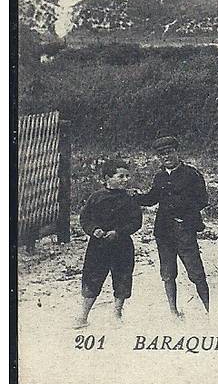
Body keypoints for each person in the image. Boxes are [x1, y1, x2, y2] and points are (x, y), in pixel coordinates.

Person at [134, 136, 210, 319]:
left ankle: (210, 310)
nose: (166, 157)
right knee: (168, 273)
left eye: (169, 152)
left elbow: (202, 200)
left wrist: (183, 213)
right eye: (162, 154)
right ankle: (173, 311)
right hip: (164, 232)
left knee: (196, 273)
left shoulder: (191, 174)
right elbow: (152, 199)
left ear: (176, 152)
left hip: (185, 230)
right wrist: (135, 197)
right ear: (158, 157)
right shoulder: (159, 176)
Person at [74, 158, 142, 329]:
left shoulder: (130, 198)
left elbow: (136, 222)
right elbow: (85, 218)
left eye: (127, 176)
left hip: (122, 245)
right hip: (98, 246)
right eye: (121, 176)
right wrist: (93, 230)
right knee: (92, 278)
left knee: (122, 278)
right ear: (107, 178)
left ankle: (117, 314)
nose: (126, 180)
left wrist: (118, 232)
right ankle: (83, 316)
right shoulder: (96, 197)